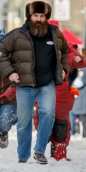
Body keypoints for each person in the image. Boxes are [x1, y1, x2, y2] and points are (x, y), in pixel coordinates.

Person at [0, 1, 69, 164]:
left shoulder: (55, 33)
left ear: (46, 17)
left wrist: (64, 67)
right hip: (24, 84)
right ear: (29, 16)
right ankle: (23, 156)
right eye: (35, 15)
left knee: (49, 114)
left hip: (47, 83)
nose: (38, 19)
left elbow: (65, 51)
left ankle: (39, 151)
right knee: (24, 121)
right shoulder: (16, 34)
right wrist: (10, 73)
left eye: (42, 16)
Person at [33, 19, 86, 161]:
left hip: (61, 94)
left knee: (61, 127)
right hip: (44, 91)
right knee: (43, 123)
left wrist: (72, 48)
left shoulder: (66, 50)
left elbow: (82, 62)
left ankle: (58, 155)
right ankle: (43, 152)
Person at [72, 67, 86, 138]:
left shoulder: (83, 71)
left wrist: (71, 91)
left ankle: (82, 135)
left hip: (82, 100)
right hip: (82, 100)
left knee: (83, 120)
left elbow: (77, 84)